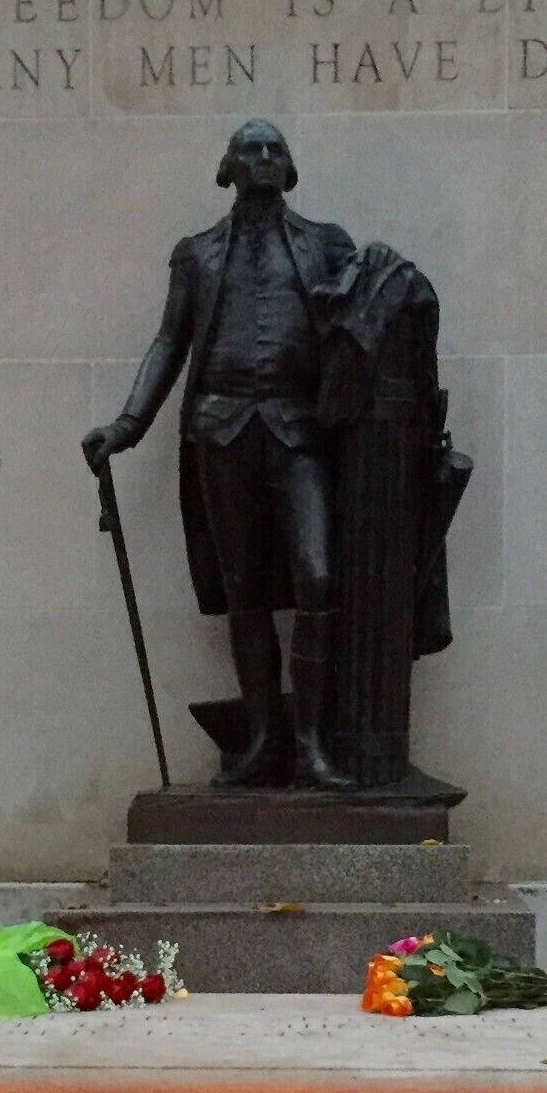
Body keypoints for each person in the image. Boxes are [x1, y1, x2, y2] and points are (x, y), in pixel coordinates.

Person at [82, 120, 357, 790]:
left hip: (298, 431)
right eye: (250, 149)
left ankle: (312, 744)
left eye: (274, 150)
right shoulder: (199, 254)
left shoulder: (326, 246)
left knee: (319, 578)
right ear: (226, 166)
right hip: (222, 428)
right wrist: (127, 425)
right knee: (245, 592)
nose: (262, 160)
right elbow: (168, 344)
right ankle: (266, 743)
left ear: (290, 168)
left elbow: (364, 333)